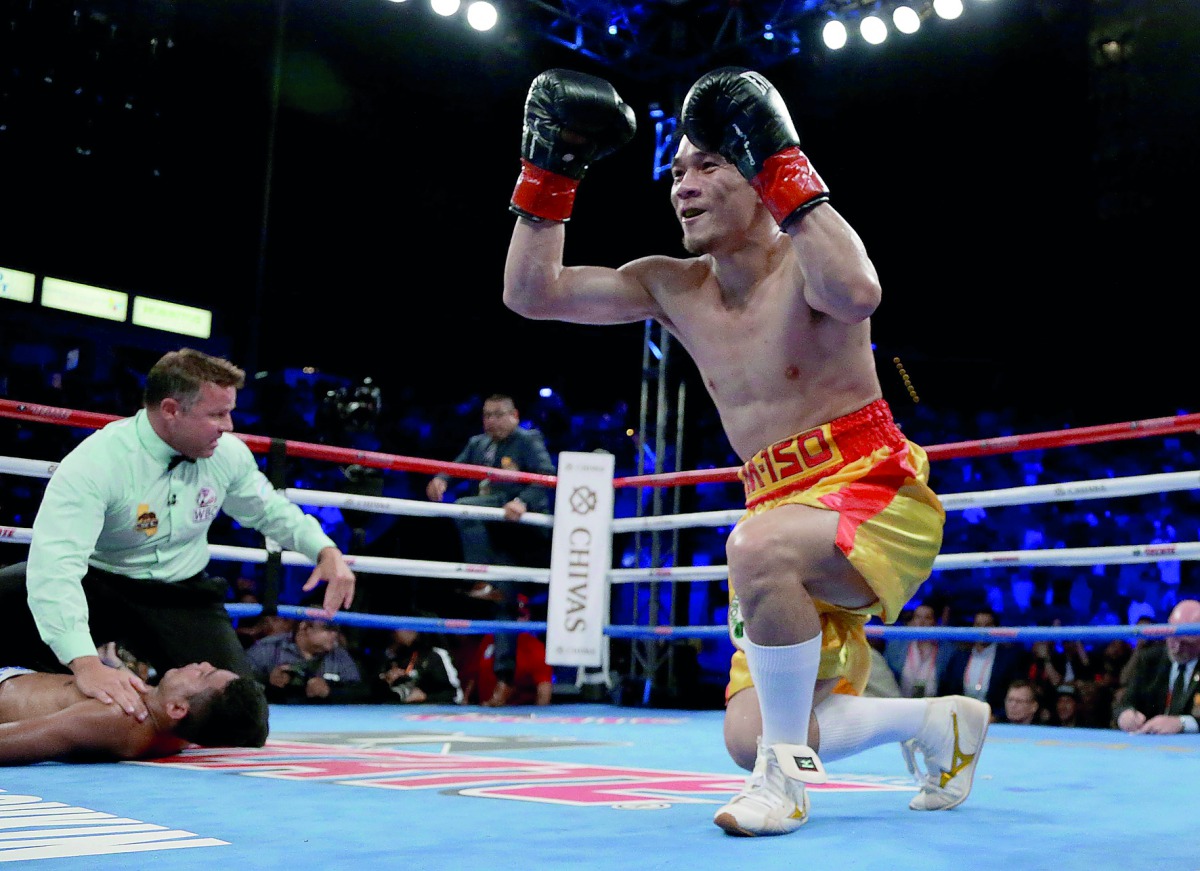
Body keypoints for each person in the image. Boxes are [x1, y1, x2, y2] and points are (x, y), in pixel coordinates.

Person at [502, 66, 989, 837]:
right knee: (742, 731)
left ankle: (785, 782)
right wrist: (550, 167)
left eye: (707, 164)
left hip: (873, 487)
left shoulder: (808, 258)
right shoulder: (672, 284)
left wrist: (783, 159)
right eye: (675, 171)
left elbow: (859, 292)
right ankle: (937, 722)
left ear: (758, 173)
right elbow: (534, 294)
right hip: (776, 508)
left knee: (756, 550)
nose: (682, 186)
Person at [0, 348, 356, 723]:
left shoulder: (226, 455)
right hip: (98, 580)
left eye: (229, 411)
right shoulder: (96, 463)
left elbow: (267, 508)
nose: (229, 426)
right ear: (171, 410)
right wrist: (85, 662)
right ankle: (58, 687)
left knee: (243, 720)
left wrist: (323, 549)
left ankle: (136, 700)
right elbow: (56, 566)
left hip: (181, 594)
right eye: (217, 414)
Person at [425, 393, 555, 706]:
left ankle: (480, 578)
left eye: (499, 414)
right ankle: (504, 681)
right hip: (494, 535)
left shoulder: (527, 440)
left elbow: (546, 476)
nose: (492, 421)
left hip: (520, 529)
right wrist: (441, 479)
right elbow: (455, 466)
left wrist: (522, 501)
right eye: (487, 415)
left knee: (466, 509)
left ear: (515, 415)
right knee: (504, 605)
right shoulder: (478, 444)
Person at [0, 660, 268, 765]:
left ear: (177, 708)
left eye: (204, 674)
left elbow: (16, 741)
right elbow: (251, 727)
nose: (203, 663)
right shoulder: (185, 727)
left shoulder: (115, 717)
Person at [1114, 598, 1200, 734]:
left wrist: (1181, 723)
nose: (1176, 648)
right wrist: (1125, 715)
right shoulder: (1150, 659)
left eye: (1185, 643)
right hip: (1150, 745)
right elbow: (1125, 703)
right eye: (1172, 638)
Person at [245, 617, 369, 704]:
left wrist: (330, 691)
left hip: (324, 720)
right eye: (328, 628)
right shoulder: (269, 648)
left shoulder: (338, 654)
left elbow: (360, 691)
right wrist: (269, 681)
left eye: (336, 629)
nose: (334, 634)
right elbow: (240, 681)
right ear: (304, 627)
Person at [941, 608, 1030, 717]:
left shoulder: (1008, 659)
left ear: (995, 628)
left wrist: (997, 716)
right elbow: (948, 690)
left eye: (987, 625)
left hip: (994, 720)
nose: (982, 630)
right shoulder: (959, 656)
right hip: (961, 718)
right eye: (978, 625)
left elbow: (1015, 694)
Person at [369, 628, 465, 704]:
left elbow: (455, 694)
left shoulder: (435, 656)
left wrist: (425, 697)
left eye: (409, 627)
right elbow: (371, 695)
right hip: (391, 715)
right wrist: (386, 681)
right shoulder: (388, 656)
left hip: (427, 715)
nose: (407, 631)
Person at [884, 603, 955, 698]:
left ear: (935, 622)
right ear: (912, 621)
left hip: (935, 704)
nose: (921, 622)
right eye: (918, 617)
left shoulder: (947, 651)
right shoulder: (895, 647)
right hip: (901, 703)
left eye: (927, 618)